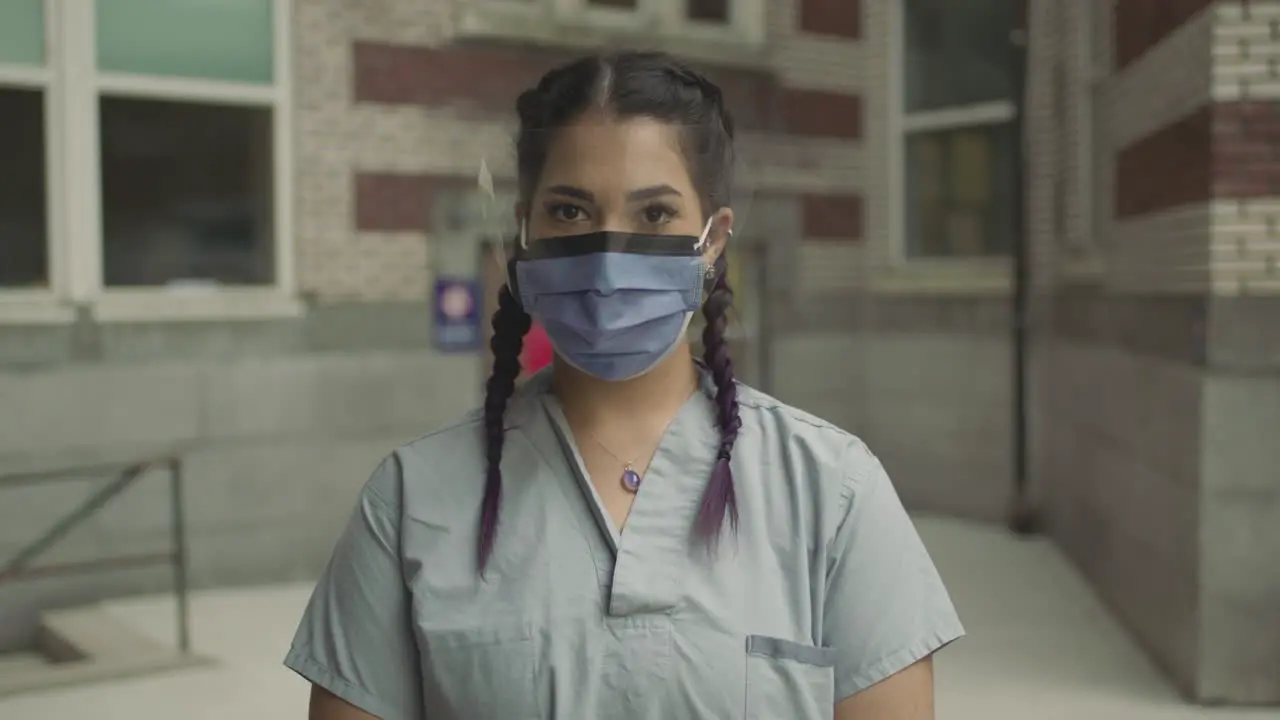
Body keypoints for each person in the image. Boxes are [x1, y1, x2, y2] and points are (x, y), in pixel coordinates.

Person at [286, 50, 964, 720]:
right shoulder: (411, 499)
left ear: (715, 239)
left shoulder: (832, 491)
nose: (609, 261)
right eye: (572, 212)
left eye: (654, 215)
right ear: (525, 230)